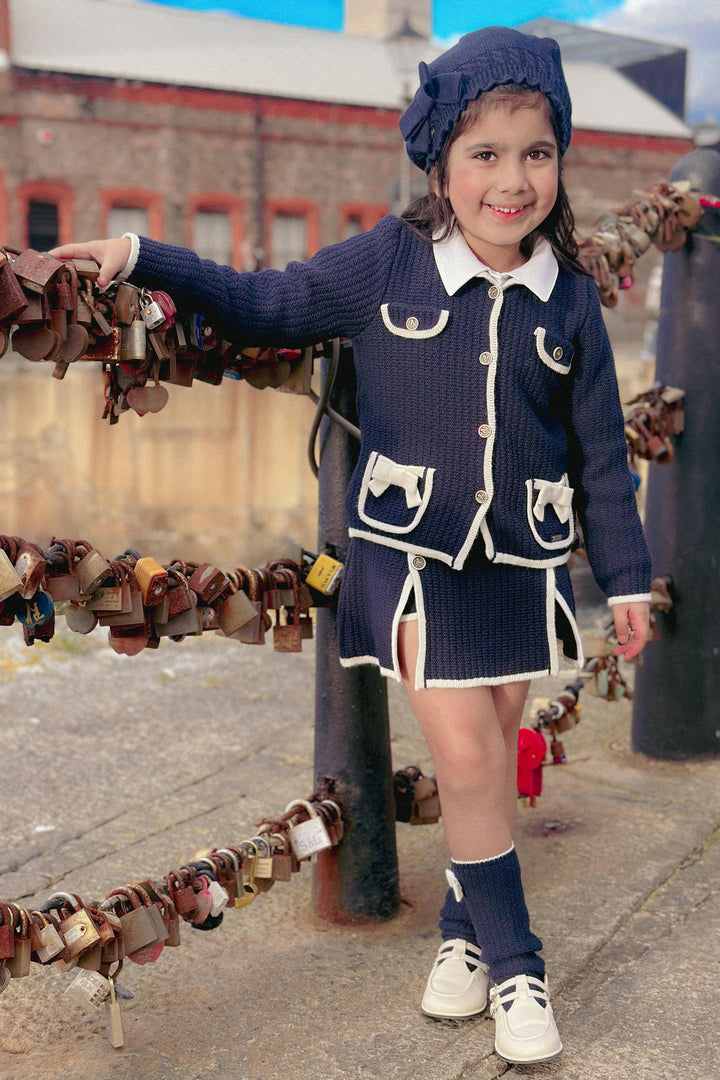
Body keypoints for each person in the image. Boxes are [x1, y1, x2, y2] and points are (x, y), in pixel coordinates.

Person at [52, 26, 651, 1065]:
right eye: (484, 154)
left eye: (536, 153)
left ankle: (463, 940)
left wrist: (630, 581)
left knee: (489, 764)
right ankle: (517, 965)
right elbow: (263, 302)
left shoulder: (569, 300)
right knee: (464, 756)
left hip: (521, 562)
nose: (512, 182)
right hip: (413, 561)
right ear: (438, 163)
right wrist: (142, 256)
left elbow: (601, 448)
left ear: (562, 158)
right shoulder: (387, 264)